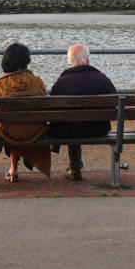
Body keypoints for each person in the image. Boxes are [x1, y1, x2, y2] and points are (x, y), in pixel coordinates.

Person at [48, 43, 117, 181]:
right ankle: (75, 166)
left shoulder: (62, 81)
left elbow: (51, 108)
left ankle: (74, 167)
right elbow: (115, 101)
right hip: (98, 129)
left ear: (70, 61)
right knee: (74, 122)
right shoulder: (101, 78)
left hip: (69, 131)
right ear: (87, 59)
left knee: (71, 123)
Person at [0, 43, 51, 182]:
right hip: (34, 131)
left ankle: (13, 168)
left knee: (8, 127)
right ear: (26, 60)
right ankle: (14, 167)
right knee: (19, 126)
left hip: (6, 133)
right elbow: (46, 108)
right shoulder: (37, 82)